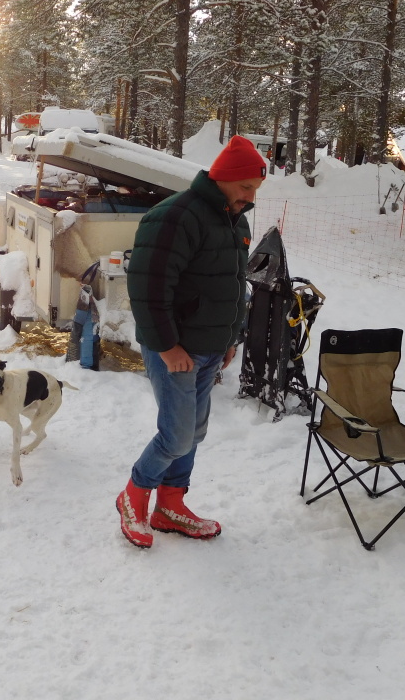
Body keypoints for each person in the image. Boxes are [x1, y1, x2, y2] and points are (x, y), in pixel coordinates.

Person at [116, 134, 266, 548]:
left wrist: (230, 337)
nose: (251, 197)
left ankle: (169, 505)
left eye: (256, 188)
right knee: (177, 435)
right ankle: (133, 496)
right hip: (175, 349)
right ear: (223, 178)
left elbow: (232, 284)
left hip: (209, 348)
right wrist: (167, 347)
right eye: (246, 186)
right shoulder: (175, 216)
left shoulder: (235, 219)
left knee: (194, 433)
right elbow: (147, 288)